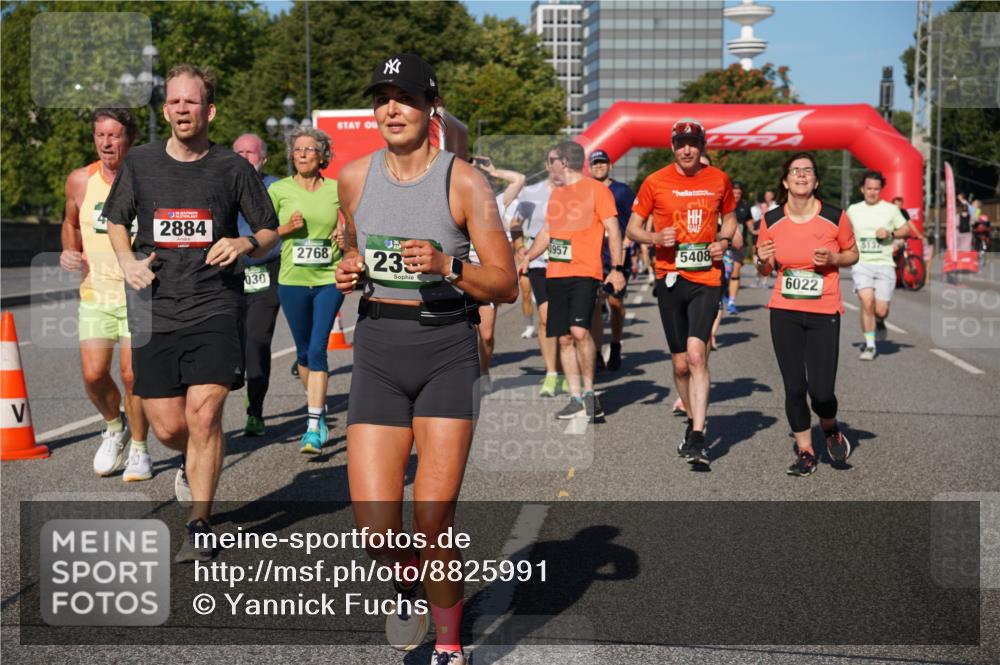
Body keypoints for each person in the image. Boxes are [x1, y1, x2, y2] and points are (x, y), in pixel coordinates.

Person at [335, 53, 517, 665]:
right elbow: (355, 250)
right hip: (379, 350)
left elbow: (506, 283)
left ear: (430, 108)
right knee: (375, 531)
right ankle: (412, 581)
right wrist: (350, 271)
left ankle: (448, 643)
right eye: (383, 96)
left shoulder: (463, 181)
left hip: (446, 350)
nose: (392, 108)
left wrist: (449, 266)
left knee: (432, 521)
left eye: (406, 97)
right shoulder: (354, 178)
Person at [104, 64, 278, 562]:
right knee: (168, 426)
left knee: (204, 417)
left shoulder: (233, 168)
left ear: (209, 111)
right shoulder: (140, 162)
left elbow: (268, 229)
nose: (182, 109)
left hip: (216, 303)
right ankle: (189, 461)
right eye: (175, 102)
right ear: (166, 110)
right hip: (154, 304)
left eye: (192, 102)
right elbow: (117, 221)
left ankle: (200, 519)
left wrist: (244, 241)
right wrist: (126, 261)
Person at [626, 118, 737, 468]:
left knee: (696, 355)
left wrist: (722, 240)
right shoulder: (654, 181)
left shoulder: (719, 179)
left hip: (706, 277)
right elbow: (632, 228)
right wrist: (655, 239)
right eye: (681, 143)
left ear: (702, 145)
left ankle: (699, 434)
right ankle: (691, 418)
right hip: (670, 276)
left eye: (693, 142)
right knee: (678, 363)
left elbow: (730, 218)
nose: (687, 148)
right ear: (672, 146)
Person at [60, 108, 151, 481]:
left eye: (114, 135)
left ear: (129, 139)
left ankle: (141, 452)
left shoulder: (147, 180)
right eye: (100, 135)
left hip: (138, 295)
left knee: (133, 376)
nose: (106, 143)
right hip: (96, 294)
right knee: (94, 375)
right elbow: (69, 222)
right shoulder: (81, 181)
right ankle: (116, 427)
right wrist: (70, 249)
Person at [755, 153, 858, 475]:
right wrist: (760, 259)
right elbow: (765, 268)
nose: (801, 175)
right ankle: (805, 451)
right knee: (795, 387)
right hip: (784, 310)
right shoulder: (771, 220)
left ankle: (828, 424)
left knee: (822, 392)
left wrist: (834, 257)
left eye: (808, 171)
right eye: (795, 171)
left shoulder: (834, 216)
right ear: (785, 181)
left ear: (815, 181)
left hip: (823, 310)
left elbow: (853, 254)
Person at [520, 141, 625, 422]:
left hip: (585, 272)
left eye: (554, 160)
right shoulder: (557, 196)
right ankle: (576, 398)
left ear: (565, 162)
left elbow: (614, 230)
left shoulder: (597, 191)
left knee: (580, 333)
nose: (550, 165)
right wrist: (528, 257)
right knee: (564, 338)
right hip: (556, 274)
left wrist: (617, 268)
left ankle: (590, 394)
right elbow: (547, 232)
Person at [270, 127, 344, 452]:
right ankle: (317, 404)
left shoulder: (337, 190)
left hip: (329, 278)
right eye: (297, 149)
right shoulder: (279, 190)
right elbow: (260, 231)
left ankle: (313, 426)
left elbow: (355, 224)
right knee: (302, 353)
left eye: (309, 149)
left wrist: (348, 239)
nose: (301, 154)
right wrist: (286, 228)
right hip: (292, 280)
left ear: (323, 155)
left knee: (317, 349)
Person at [510, 148, 568, 397]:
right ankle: (551, 373)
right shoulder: (532, 193)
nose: (561, 165)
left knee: (567, 322)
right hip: (539, 262)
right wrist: (521, 248)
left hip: (569, 262)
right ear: (547, 165)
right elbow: (515, 223)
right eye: (556, 160)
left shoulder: (577, 192)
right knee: (545, 318)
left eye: (565, 161)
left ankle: (569, 371)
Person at [233, 133, 281, 437]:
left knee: (257, 341)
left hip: (267, 270)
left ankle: (256, 410)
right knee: (231, 343)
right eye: (238, 151)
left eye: (250, 152)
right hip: (231, 272)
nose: (244, 157)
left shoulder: (276, 188)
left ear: (262, 158)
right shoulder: (223, 182)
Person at [470, 156, 525, 393]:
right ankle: (466, 374)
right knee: (463, 332)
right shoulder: (455, 202)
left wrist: (493, 171)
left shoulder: (498, 203)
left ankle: (484, 370)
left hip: (487, 275)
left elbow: (519, 179)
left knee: (487, 333)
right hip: (461, 273)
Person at [845, 171, 911, 360]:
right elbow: (843, 231)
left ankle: (880, 321)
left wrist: (890, 233)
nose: (872, 192)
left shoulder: (890, 209)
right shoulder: (853, 209)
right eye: (869, 188)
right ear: (862, 189)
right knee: (867, 302)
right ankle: (870, 346)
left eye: (876, 189)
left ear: (880, 190)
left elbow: (905, 229)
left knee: (881, 309)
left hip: (884, 264)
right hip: (861, 263)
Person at [588, 149, 636, 372]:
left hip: (616, 254)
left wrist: (627, 240)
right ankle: (596, 352)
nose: (599, 166)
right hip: (591, 254)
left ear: (610, 165)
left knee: (615, 303)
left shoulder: (622, 191)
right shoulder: (585, 189)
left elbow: (636, 219)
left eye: (602, 162)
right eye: (595, 163)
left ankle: (615, 344)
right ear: (590, 166)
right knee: (595, 304)